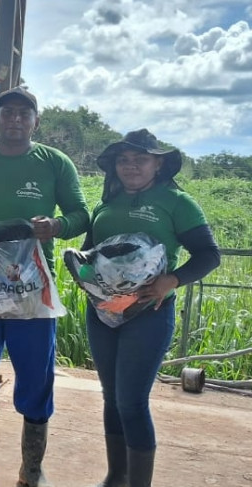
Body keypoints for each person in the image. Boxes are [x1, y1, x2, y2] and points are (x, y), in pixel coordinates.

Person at [0, 86, 89, 486]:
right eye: (8, 113)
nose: (16, 120)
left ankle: (32, 468)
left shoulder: (54, 163)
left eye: (25, 114)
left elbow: (81, 214)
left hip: (34, 290)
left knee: (36, 374)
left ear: (35, 121)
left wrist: (56, 226)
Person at [85, 129, 220, 487]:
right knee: (112, 399)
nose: (130, 166)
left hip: (149, 314)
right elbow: (89, 250)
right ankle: (116, 476)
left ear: (158, 164)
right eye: (123, 160)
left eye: (140, 159)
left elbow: (209, 255)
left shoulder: (177, 202)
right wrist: (83, 273)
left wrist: (170, 281)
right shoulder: (106, 203)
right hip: (103, 312)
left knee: (131, 401)